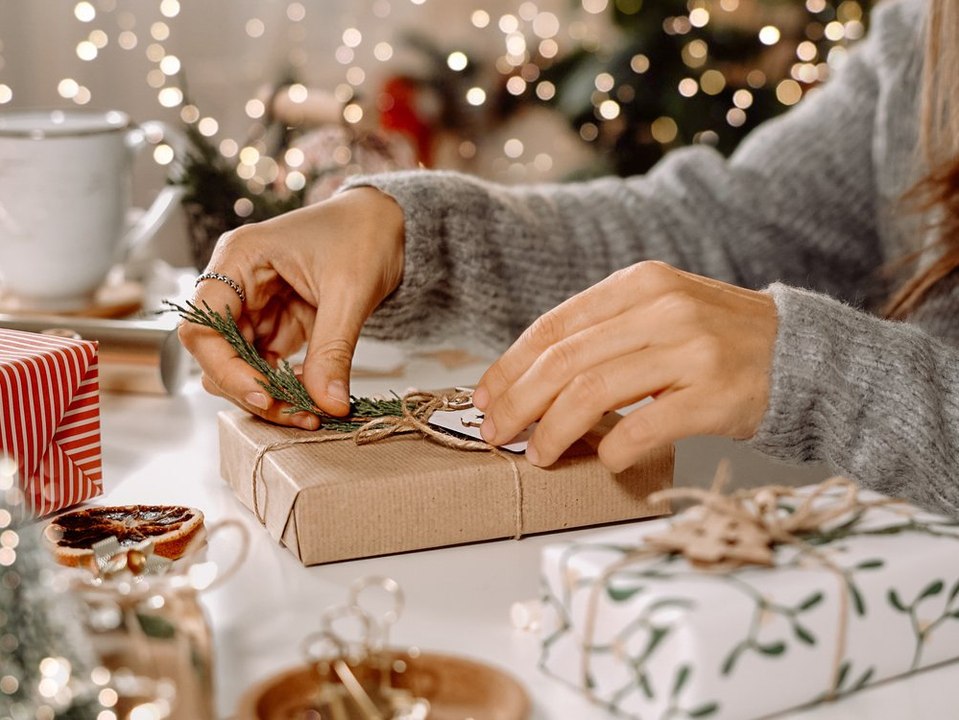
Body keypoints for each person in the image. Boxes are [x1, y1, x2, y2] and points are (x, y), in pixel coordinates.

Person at [180, 0, 959, 515]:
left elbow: (800, 344)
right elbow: (737, 226)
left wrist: (831, 374)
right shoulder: (925, 32)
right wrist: (415, 236)